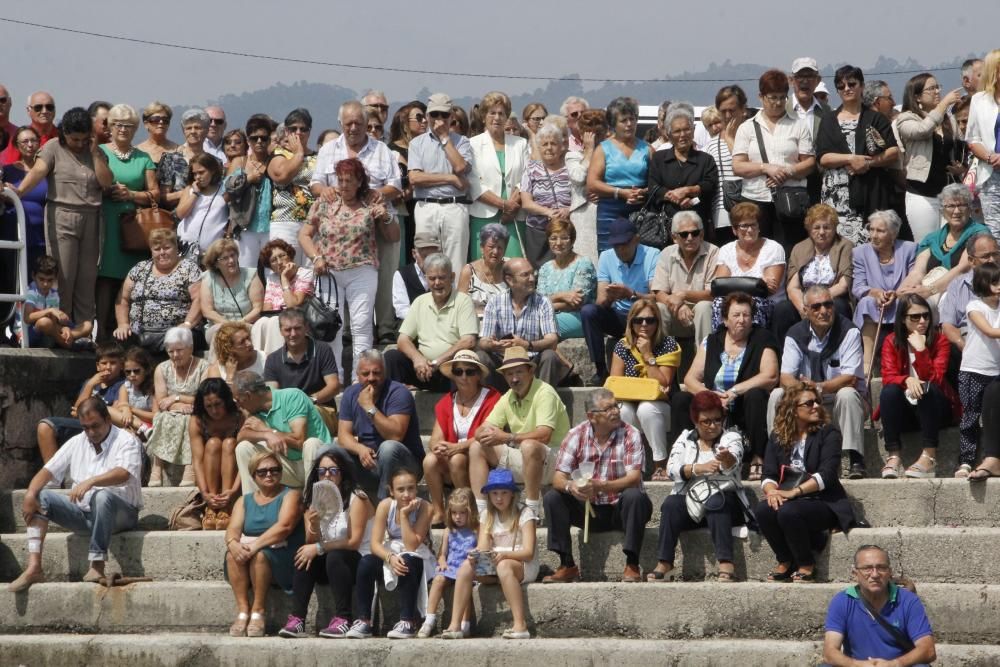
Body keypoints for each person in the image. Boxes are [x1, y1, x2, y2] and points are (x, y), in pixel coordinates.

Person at [7, 398, 142, 593]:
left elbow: (124, 473)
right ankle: (34, 567)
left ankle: (97, 565)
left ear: (108, 420)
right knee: (40, 497)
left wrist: (91, 481)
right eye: (86, 428)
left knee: (102, 496)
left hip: (122, 514)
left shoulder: (126, 440)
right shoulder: (78, 441)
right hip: (86, 515)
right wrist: (30, 494)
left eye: (95, 426)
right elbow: (48, 470)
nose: (91, 432)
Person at [14, 107, 114, 344]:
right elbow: (39, 171)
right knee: (65, 274)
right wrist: (18, 191)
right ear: (64, 134)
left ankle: (82, 332)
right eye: (74, 139)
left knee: (88, 276)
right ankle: (61, 328)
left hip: (92, 216)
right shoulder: (52, 148)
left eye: (83, 139)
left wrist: (95, 153)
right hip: (62, 215)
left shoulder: (96, 152)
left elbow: (106, 182)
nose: (78, 144)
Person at [310, 100, 403, 345]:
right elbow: (315, 183)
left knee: (383, 278)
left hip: (378, 223)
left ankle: (384, 328)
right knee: (344, 280)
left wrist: (378, 193)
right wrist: (325, 191)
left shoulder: (382, 149)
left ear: (366, 124)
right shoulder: (329, 149)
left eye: (358, 123)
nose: (353, 128)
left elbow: (396, 185)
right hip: (339, 230)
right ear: (340, 123)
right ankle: (347, 330)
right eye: (348, 123)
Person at [542, 388, 653, 584]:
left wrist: (601, 486)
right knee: (553, 497)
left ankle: (632, 564)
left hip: (621, 509)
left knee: (635, 496)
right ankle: (566, 564)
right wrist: (572, 487)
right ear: (591, 416)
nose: (616, 411)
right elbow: (558, 478)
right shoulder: (576, 435)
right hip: (589, 508)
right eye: (608, 408)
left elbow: (634, 477)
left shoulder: (630, 433)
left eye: (616, 405)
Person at [301, 157, 397, 382]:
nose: (344, 185)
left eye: (349, 180)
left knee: (361, 325)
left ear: (359, 181)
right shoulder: (325, 202)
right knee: (331, 327)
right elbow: (304, 235)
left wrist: (385, 216)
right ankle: (334, 378)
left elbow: (393, 237)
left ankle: (359, 379)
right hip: (328, 273)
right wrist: (315, 257)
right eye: (340, 180)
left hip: (362, 270)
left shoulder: (371, 202)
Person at [755, 382, 856, 583]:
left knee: (788, 511)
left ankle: (806, 564)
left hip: (823, 500)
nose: (816, 406)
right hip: (790, 498)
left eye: (817, 401)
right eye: (809, 403)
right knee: (763, 510)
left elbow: (827, 475)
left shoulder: (829, 433)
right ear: (792, 410)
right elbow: (768, 473)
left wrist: (794, 492)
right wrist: (772, 491)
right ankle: (785, 560)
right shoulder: (778, 436)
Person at [647, 391, 752, 583]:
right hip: (693, 504)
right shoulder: (685, 438)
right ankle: (665, 562)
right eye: (706, 421)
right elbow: (671, 469)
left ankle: (726, 562)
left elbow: (734, 461)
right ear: (695, 420)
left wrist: (726, 458)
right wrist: (698, 469)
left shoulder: (731, 437)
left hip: (725, 503)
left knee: (716, 500)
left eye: (717, 420)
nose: (713, 426)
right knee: (670, 503)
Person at [672, 292, 779, 480]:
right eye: (736, 315)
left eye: (746, 315)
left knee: (756, 395)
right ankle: (683, 457)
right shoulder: (712, 341)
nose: (742, 320)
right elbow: (690, 379)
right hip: (714, 406)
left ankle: (757, 458)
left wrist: (735, 391)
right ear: (725, 319)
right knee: (682, 398)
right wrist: (710, 396)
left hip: (744, 406)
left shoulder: (763, 338)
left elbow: (770, 375)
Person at [769, 285, 867, 478]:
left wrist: (819, 388)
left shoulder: (849, 332)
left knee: (847, 394)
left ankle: (855, 460)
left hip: (838, 400)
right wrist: (806, 391)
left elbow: (850, 378)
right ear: (805, 311)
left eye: (828, 304)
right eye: (816, 307)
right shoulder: (794, 334)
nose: (823, 311)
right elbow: (786, 377)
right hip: (807, 400)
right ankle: (776, 458)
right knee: (776, 394)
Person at [279, 448, 376, 639]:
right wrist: (314, 525)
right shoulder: (313, 500)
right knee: (304, 554)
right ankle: (297, 619)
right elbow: (310, 542)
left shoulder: (358, 498)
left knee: (333, 556)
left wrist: (318, 547)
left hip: (359, 560)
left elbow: (353, 542)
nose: (327, 476)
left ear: (343, 473)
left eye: (333, 470)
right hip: (333, 563)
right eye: (322, 471)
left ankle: (343, 618)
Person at [470, 346, 570, 518]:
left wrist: (506, 436)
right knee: (476, 447)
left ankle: (532, 509)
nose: (514, 378)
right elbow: (480, 429)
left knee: (529, 446)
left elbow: (544, 435)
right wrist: (484, 435)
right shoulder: (508, 396)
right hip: (527, 458)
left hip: (557, 462)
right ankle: (482, 512)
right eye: (509, 374)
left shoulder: (545, 392)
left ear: (531, 371)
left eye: (519, 372)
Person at [440, 469, 538, 640]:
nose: (499, 498)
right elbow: (483, 547)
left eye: (504, 493)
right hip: (496, 564)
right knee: (465, 566)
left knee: (503, 565)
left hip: (521, 565)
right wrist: (475, 555)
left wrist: (505, 555)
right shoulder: (487, 515)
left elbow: (528, 553)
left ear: (513, 494)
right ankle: (455, 625)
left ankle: (520, 625)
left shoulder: (524, 513)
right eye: (494, 493)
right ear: (489, 495)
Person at [95, 104, 159, 342]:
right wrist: (108, 190)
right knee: (105, 277)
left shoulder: (144, 158)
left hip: (133, 226)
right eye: (118, 124)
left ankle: (130, 332)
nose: (123, 129)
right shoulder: (99, 151)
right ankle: (101, 331)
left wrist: (131, 194)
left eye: (129, 126)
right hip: (105, 221)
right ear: (110, 127)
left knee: (129, 278)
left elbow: (155, 194)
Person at [816, 65, 900, 246]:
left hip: (870, 192)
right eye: (841, 86)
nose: (847, 89)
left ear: (861, 86)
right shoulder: (829, 120)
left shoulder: (875, 118)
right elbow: (823, 157)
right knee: (837, 247)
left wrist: (869, 163)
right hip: (837, 196)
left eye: (851, 84)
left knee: (871, 244)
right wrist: (850, 159)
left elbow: (893, 151)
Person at [877, 294, 959, 480]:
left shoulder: (940, 341)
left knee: (928, 388)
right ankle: (894, 457)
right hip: (908, 411)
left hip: (937, 410)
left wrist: (921, 351)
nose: (922, 321)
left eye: (926, 316)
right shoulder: (891, 341)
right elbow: (888, 377)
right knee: (889, 392)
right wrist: (906, 379)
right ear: (903, 320)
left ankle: (929, 456)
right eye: (915, 317)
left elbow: (935, 379)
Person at [224, 450, 304, 638]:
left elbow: (284, 527)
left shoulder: (290, 495)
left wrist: (253, 546)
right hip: (252, 553)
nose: (269, 474)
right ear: (253, 476)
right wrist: (233, 543)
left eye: (274, 470)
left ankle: (259, 611)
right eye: (263, 472)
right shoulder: (244, 500)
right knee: (231, 555)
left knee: (259, 556)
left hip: (282, 554)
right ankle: (243, 611)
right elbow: (232, 529)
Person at [347, 467, 434, 640]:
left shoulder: (426, 507)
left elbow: (411, 545)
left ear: (417, 488)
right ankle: (364, 620)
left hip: (417, 556)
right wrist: (390, 557)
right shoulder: (385, 505)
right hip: (392, 552)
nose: (407, 494)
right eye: (400, 489)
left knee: (407, 560)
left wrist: (404, 515)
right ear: (391, 491)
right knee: (366, 562)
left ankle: (408, 621)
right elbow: (374, 544)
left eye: (411, 488)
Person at [732, 70, 815, 245]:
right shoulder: (747, 127)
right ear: (761, 97)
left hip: (790, 200)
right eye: (773, 98)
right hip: (755, 199)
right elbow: (738, 166)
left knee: (789, 251)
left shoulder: (798, 125)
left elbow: (809, 162)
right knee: (756, 251)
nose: (778, 103)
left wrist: (787, 171)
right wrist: (765, 168)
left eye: (782, 98)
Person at [423, 351, 502, 525]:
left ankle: (468, 510)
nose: (464, 376)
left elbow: (488, 434)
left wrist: (456, 448)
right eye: (458, 372)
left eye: (470, 372)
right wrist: (439, 447)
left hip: (481, 457)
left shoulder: (492, 397)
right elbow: (434, 439)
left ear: (478, 375)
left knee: (457, 459)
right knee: (430, 460)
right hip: (453, 457)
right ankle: (438, 512)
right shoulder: (446, 401)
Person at [823, 544, 937, 666]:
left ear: (889, 572)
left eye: (881, 568)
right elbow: (829, 652)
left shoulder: (908, 600)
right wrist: (858, 665)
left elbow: (928, 650)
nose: (875, 574)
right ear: (855, 573)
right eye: (867, 568)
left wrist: (894, 664)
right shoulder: (842, 601)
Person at [335, 349, 424, 500]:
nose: (371, 378)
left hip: (404, 464)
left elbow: (395, 435)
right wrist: (360, 449)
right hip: (369, 461)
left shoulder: (399, 392)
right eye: (365, 374)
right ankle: (335, 506)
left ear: (385, 373)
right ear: (357, 375)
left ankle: (384, 507)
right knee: (328, 450)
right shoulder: (350, 393)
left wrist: (370, 407)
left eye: (377, 373)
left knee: (388, 447)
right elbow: (343, 436)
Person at [581, 219, 661, 384]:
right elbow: (600, 301)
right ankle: (601, 369)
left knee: (657, 308)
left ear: (636, 240)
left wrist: (631, 294)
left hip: (645, 316)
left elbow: (657, 297)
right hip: (620, 316)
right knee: (589, 311)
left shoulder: (653, 254)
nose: (620, 249)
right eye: (616, 245)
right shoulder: (606, 256)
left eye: (624, 244)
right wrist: (609, 297)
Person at [610, 298, 681, 480]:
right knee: (623, 410)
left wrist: (648, 355)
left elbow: (663, 384)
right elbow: (615, 385)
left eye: (650, 320)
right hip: (630, 404)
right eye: (638, 320)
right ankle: (633, 466)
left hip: (661, 408)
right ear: (631, 322)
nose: (644, 324)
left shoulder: (668, 345)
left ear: (657, 322)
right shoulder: (622, 346)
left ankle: (660, 464)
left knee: (646, 408)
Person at [385, 253, 478, 391]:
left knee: (462, 365)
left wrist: (438, 361)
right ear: (426, 279)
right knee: (392, 357)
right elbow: (402, 340)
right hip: (423, 369)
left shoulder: (463, 301)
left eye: (442, 277)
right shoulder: (420, 302)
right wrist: (418, 359)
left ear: (452, 277)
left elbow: (468, 341)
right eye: (432, 278)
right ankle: (396, 403)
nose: (437, 283)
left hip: (451, 369)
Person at [408, 93, 474, 278]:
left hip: (454, 207)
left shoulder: (462, 142)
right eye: (434, 114)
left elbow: (460, 167)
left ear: (451, 116)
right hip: (426, 206)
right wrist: (451, 179)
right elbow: (414, 178)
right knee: (427, 263)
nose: (439, 119)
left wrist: (445, 138)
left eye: (444, 115)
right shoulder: (416, 143)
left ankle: (455, 305)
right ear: (427, 116)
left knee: (455, 263)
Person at [232, 370, 331, 492]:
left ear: (248, 396)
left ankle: (315, 500)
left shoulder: (292, 396)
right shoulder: (254, 410)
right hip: (288, 466)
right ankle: (253, 504)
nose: (238, 406)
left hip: (319, 464)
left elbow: (299, 441)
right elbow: (241, 436)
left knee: (312, 443)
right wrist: (266, 435)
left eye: (238, 400)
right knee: (243, 447)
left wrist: (267, 430)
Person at [478, 257, 569, 389]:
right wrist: (493, 345)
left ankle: (542, 401)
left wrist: (527, 345)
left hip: (531, 365)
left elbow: (552, 340)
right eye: (525, 275)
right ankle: (491, 405)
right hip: (503, 365)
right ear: (509, 280)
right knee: (481, 357)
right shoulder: (495, 302)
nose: (532, 279)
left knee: (550, 356)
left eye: (532, 273)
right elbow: (483, 341)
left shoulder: (543, 302)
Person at [895, 73, 965, 243]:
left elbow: (961, 146)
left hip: (949, 193)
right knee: (927, 245)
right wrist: (943, 105)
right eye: (931, 88)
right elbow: (922, 130)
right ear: (917, 96)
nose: (937, 92)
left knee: (952, 244)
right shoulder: (906, 118)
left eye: (937, 87)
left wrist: (961, 167)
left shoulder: (948, 120)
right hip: (922, 194)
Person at [772, 204, 854, 342]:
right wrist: (804, 308)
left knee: (840, 306)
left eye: (827, 227)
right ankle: (782, 357)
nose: (821, 232)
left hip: (832, 298)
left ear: (834, 228)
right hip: (805, 301)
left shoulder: (845, 246)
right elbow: (793, 287)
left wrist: (818, 302)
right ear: (809, 229)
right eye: (817, 227)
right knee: (783, 309)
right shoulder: (799, 248)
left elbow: (843, 285)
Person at [113, 228, 203, 353]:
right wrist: (123, 324)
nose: (162, 252)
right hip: (139, 332)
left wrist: (187, 324)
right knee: (120, 340)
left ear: (176, 248)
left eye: (166, 248)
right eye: (157, 249)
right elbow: (122, 299)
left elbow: (199, 299)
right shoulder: (140, 268)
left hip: (176, 330)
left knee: (179, 339)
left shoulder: (189, 268)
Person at [35, 342, 126, 463]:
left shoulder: (122, 385)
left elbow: (115, 414)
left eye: (113, 363)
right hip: (82, 424)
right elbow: (76, 411)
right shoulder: (91, 382)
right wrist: (90, 385)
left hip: (103, 428)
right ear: (98, 366)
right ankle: (52, 476)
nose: (108, 367)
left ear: (121, 366)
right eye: (104, 363)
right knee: (45, 426)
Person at [144, 326, 211, 487]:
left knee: (190, 420)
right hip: (172, 412)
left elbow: (203, 399)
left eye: (179, 350)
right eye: (170, 351)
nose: (175, 355)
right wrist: (181, 406)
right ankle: (157, 468)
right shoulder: (162, 368)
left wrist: (176, 398)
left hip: (198, 412)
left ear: (191, 348)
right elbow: (161, 401)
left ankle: (190, 468)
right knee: (163, 417)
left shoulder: (204, 367)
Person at [852, 210, 918, 372]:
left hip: (902, 301)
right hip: (876, 304)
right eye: (871, 229)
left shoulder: (909, 249)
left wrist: (897, 294)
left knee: (911, 303)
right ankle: (867, 362)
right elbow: (858, 286)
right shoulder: (860, 252)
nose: (873, 235)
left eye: (880, 231)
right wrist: (875, 293)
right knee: (866, 302)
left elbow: (915, 281)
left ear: (893, 233)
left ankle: (914, 359)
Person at [898, 184, 988, 300]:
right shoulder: (931, 239)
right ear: (942, 211)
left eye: (961, 205)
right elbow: (917, 272)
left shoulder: (979, 234)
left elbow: (962, 269)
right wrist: (902, 291)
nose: (956, 211)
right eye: (950, 206)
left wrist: (928, 291)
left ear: (970, 209)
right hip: (930, 293)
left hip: (964, 292)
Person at [586, 96, 652, 253]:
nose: (629, 124)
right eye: (624, 120)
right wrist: (620, 193)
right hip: (610, 209)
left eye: (632, 119)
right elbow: (592, 183)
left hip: (640, 209)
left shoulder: (647, 149)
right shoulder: (603, 149)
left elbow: (657, 182)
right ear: (614, 123)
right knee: (609, 253)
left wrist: (644, 191)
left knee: (640, 253)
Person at [469, 91, 529, 260]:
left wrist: (512, 207)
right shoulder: (473, 144)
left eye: (501, 113)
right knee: (485, 267)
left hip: (514, 217)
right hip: (483, 215)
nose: (497, 117)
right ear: (483, 117)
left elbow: (526, 177)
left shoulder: (520, 143)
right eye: (492, 113)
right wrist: (504, 205)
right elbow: (474, 183)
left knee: (514, 267)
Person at [262, 308, 341, 434]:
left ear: (306, 328)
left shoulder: (322, 350)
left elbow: (334, 386)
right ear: (281, 331)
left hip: (320, 408)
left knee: (306, 416)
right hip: (288, 412)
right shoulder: (273, 359)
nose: (293, 334)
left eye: (297, 328)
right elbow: (273, 395)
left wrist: (309, 401)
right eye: (287, 329)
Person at [956, 262, 1000, 479]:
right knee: (970, 416)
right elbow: (990, 331)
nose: (999, 286)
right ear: (983, 283)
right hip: (973, 370)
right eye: (994, 282)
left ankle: (989, 458)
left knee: (993, 417)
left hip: (996, 372)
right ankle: (965, 460)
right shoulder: (975, 306)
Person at [713, 202, 787, 329]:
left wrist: (735, 284)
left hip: (767, 303)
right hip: (734, 304)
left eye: (753, 224)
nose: (750, 230)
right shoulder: (726, 250)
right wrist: (757, 283)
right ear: (734, 229)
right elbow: (720, 286)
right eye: (744, 226)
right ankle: (720, 343)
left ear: (759, 227)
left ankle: (755, 345)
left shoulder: (773, 248)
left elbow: (769, 290)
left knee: (754, 304)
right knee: (718, 303)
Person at [417, 487, 479, 638]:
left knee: (465, 588)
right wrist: (443, 561)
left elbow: (479, 551)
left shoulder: (476, 531)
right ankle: (429, 619)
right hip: (450, 567)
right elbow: (442, 554)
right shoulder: (448, 531)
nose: (457, 517)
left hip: (466, 569)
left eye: (462, 512)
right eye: (454, 512)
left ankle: (465, 624)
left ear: (471, 512)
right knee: (438, 579)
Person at [647, 105, 718, 235]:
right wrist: (676, 197)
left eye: (687, 130)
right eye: (677, 131)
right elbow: (654, 187)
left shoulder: (706, 160)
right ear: (669, 134)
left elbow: (710, 185)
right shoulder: (659, 158)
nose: (683, 135)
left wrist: (689, 192)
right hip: (666, 226)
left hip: (698, 227)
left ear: (693, 130)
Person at [652, 211, 719, 345]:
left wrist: (683, 295)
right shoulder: (666, 253)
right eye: (684, 234)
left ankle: (704, 360)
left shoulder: (713, 252)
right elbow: (659, 292)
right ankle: (661, 359)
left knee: (704, 307)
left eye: (694, 233)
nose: (690, 238)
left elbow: (713, 293)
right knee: (659, 308)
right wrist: (679, 305)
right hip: (676, 312)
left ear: (701, 234)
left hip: (702, 316)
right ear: (674, 237)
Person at [190, 378, 245, 529]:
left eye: (218, 404)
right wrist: (205, 494)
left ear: (226, 401)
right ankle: (212, 508)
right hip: (209, 479)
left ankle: (226, 507)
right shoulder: (197, 420)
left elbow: (247, 458)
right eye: (209, 406)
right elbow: (197, 461)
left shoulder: (239, 416)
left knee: (229, 443)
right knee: (213, 443)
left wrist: (233, 491)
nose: (214, 411)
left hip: (235, 479)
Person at [519, 123, 574, 266]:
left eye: (553, 144)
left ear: (561, 146)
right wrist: (548, 212)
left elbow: (582, 198)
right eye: (544, 144)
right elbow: (526, 202)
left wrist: (568, 210)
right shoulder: (531, 169)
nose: (549, 148)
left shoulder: (570, 168)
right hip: (538, 233)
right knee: (539, 272)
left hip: (567, 230)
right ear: (539, 147)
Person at [226, 114, 276, 267]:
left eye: (264, 138)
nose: (259, 141)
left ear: (269, 139)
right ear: (248, 140)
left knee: (272, 272)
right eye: (255, 138)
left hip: (271, 226)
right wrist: (248, 179)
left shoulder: (276, 161)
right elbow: (226, 194)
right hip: (245, 227)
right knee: (246, 271)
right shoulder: (239, 162)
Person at [268, 108, 318, 260]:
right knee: (283, 266)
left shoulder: (318, 157)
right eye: (293, 129)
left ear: (309, 132)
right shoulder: (278, 154)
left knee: (310, 275)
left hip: (312, 223)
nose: (298, 133)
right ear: (286, 131)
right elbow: (282, 176)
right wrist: (298, 154)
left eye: (303, 129)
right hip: (285, 221)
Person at [703, 85, 749, 245]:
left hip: (752, 213)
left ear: (743, 109)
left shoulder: (754, 136)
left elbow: (748, 165)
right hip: (722, 217)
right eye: (723, 111)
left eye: (732, 110)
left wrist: (729, 138)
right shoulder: (710, 146)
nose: (728, 116)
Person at [536, 219, 596, 339]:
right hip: (548, 315)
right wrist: (561, 295)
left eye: (564, 238)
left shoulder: (583, 263)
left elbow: (577, 303)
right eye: (553, 238)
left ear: (572, 240)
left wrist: (549, 305)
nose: (558, 243)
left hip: (577, 318)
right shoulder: (545, 268)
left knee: (532, 325)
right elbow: (538, 301)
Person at [251, 239, 313, 355]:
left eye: (282, 256)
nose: (279, 262)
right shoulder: (272, 278)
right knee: (262, 322)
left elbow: (293, 305)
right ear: (270, 266)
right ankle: (260, 360)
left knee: (275, 321)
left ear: (289, 256)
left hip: (299, 318)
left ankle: (274, 362)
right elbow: (268, 309)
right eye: (273, 260)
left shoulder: (305, 274)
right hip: (277, 318)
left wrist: (284, 279)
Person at [940, 232, 1000, 350]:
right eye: (986, 256)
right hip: (968, 338)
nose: (992, 260)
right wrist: (964, 346)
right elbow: (948, 325)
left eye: (996, 254)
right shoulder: (958, 285)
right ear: (972, 261)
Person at [200, 239, 264, 346]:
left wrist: (241, 323)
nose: (231, 260)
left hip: (247, 325)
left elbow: (257, 307)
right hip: (219, 326)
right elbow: (207, 311)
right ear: (215, 263)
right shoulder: (208, 278)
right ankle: (218, 363)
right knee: (221, 333)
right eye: (225, 258)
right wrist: (228, 325)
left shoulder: (251, 274)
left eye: (232, 255)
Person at [963, 49, 1000, 237]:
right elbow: (972, 137)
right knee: (994, 227)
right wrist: (990, 157)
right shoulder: (979, 100)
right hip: (990, 172)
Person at [3, 127, 47, 270]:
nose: (30, 145)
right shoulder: (7, 171)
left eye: (33, 140)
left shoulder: (47, 171)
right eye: (25, 141)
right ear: (16, 145)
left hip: (41, 239)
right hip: (13, 235)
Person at [568, 109, 607, 266]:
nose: (595, 136)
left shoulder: (611, 154)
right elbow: (578, 177)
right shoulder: (572, 156)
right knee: (585, 263)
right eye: (589, 132)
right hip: (582, 217)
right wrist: (590, 150)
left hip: (607, 212)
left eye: (599, 132)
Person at [22, 255, 84, 348]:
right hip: (30, 334)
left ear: (55, 278)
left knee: (87, 325)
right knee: (44, 322)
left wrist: (64, 328)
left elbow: (54, 322)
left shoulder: (54, 294)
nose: (45, 284)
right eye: (41, 279)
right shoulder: (31, 291)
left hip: (49, 332)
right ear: (33, 276)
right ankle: (67, 344)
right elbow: (27, 318)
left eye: (50, 280)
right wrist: (49, 310)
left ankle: (67, 337)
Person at [175, 153, 229, 259]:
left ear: (212, 170)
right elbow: (180, 214)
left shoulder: (224, 190)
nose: (198, 177)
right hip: (185, 249)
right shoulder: (190, 189)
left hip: (212, 252)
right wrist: (195, 194)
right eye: (195, 174)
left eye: (201, 172)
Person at [160, 109, 212, 209]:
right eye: (188, 128)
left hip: (206, 218)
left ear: (206, 131)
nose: (193, 131)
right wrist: (188, 192)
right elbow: (163, 198)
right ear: (184, 132)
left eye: (197, 128)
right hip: (176, 219)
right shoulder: (170, 159)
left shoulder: (215, 162)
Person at [458, 223, 509, 318]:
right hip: (474, 325)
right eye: (491, 247)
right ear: (482, 247)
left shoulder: (509, 269)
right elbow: (459, 307)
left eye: (500, 247)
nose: (495, 252)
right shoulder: (468, 271)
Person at [392, 230, 439, 321]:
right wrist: (424, 319)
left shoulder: (444, 273)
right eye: (425, 256)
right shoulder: (402, 274)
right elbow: (401, 309)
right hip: (412, 322)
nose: (429, 261)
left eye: (433, 256)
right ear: (414, 254)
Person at [109, 346, 155, 436]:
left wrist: (131, 410)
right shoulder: (126, 386)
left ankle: (142, 427)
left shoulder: (153, 388)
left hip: (150, 426)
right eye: (128, 372)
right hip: (130, 424)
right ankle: (140, 427)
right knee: (107, 410)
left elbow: (156, 417)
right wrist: (126, 409)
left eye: (136, 371)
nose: (132, 375)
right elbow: (122, 404)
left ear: (145, 369)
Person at [135, 102, 179, 168]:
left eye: (165, 120)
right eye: (156, 119)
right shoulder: (136, 152)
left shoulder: (178, 150)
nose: (161, 122)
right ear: (146, 124)